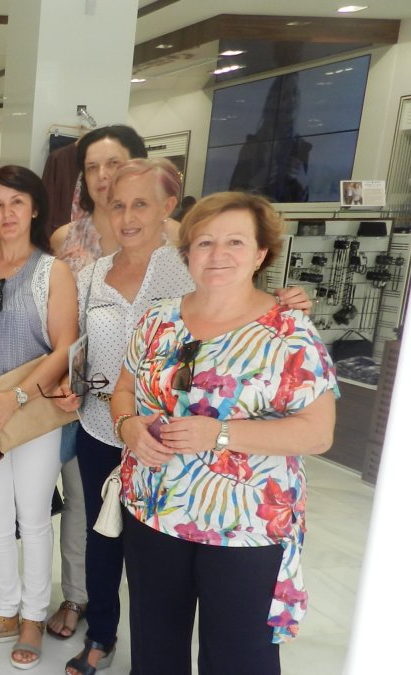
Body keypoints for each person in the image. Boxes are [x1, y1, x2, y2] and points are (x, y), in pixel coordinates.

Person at [111, 191, 336, 675]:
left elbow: (318, 433)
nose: (218, 254)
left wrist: (220, 434)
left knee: (239, 656)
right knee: (153, 645)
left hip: (245, 524)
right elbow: (124, 390)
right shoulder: (158, 318)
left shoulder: (289, 333)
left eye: (235, 241)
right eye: (205, 242)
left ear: (260, 254)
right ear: (187, 252)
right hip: (154, 509)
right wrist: (128, 426)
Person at [0, 164, 78, 670]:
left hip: (34, 416)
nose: (7, 213)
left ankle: (32, 615)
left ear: (33, 208)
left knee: (32, 517)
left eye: (17, 203)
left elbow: (64, 346)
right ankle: (4, 611)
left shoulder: (53, 270)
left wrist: (18, 399)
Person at [44, 124, 152, 642]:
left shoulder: (184, 245)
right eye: (92, 168)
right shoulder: (70, 244)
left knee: (154, 536)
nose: (104, 177)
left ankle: (159, 631)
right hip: (91, 409)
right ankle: (84, 604)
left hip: (162, 421)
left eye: (114, 164)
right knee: (88, 514)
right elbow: (69, 332)